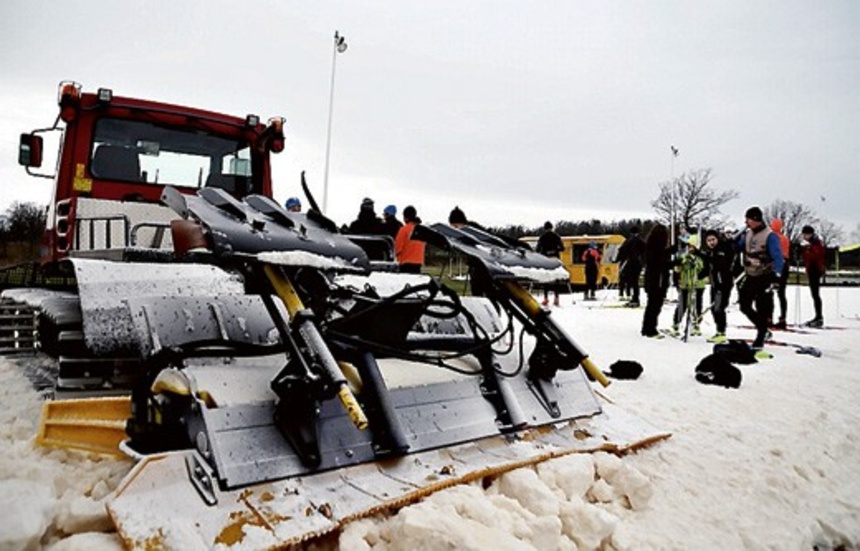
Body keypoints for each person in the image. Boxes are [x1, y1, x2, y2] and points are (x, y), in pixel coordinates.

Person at [734, 206, 785, 353]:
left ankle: (761, 335)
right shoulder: (748, 234)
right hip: (750, 274)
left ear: (756, 219)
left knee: (762, 307)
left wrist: (776, 275)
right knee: (744, 305)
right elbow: (738, 248)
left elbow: (778, 258)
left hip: (765, 275)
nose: (746, 222)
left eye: (748, 219)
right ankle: (762, 327)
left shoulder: (770, 236)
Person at [701, 229, 735, 343]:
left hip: (723, 284)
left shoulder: (722, 249)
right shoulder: (710, 252)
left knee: (719, 308)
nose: (711, 242)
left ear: (717, 239)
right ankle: (719, 331)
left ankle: (721, 332)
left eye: (713, 240)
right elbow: (707, 269)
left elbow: (721, 263)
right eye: (708, 240)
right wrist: (698, 276)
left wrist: (701, 255)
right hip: (715, 284)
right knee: (714, 308)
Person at [669, 236, 706, 337]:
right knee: (682, 304)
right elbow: (676, 268)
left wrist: (695, 263)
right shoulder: (683, 256)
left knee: (697, 305)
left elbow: (703, 268)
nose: (690, 248)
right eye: (689, 246)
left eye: (693, 246)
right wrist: (681, 266)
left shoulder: (701, 257)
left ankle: (696, 324)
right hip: (685, 284)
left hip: (697, 285)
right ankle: (676, 324)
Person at [641, 223, 672, 338]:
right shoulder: (655, 250)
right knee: (654, 306)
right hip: (657, 281)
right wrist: (674, 262)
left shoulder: (651, 248)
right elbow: (661, 263)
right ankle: (650, 329)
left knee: (652, 305)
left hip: (653, 280)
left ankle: (646, 328)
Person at [801, 225, 826, 327]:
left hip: (815, 269)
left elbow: (816, 256)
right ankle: (817, 316)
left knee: (815, 294)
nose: (804, 236)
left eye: (805, 234)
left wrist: (806, 251)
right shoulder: (812, 243)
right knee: (814, 294)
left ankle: (819, 317)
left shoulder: (815, 243)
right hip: (812, 269)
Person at [769, 218, 791, 328]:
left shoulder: (772, 237)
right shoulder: (785, 238)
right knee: (781, 293)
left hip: (775, 265)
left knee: (769, 292)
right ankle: (783, 318)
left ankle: (768, 317)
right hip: (785, 264)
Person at [536, 221, 564, 306]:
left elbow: (537, 249)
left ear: (545, 228)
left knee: (546, 278)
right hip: (555, 258)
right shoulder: (556, 236)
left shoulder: (542, 237)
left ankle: (546, 298)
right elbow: (562, 248)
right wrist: (556, 249)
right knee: (556, 279)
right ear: (552, 228)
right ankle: (556, 298)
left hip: (546, 259)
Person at [617, 226, 645, 307]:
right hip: (637, 263)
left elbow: (621, 251)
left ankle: (634, 298)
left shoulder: (628, 241)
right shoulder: (640, 241)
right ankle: (635, 298)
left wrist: (618, 260)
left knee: (631, 281)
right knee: (635, 282)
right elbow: (645, 250)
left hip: (630, 263)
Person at [394, 205, 425, 273]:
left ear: (405, 218)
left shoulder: (404, 230)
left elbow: (397, 248)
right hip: (418, 263)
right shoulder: (421, 230)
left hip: (406, 263)